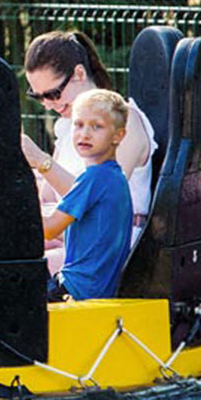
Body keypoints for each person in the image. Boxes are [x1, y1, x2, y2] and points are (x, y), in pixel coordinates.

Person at [19, 30, 156, 246]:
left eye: (53, 94)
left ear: (79, 74)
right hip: (72, 237)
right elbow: (47, 198)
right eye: (38, 97)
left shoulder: (124, 122)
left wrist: (43, 162)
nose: (47, 104)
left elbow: (97, 200)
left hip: (112, 247)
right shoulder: (68, 127)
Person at [43, 88, 133, 302]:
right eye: (79, 124)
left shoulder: (93, 178)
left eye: (97, 127)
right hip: (94, 287)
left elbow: (48, 229)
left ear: (118, 135)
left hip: (78, 290)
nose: (85, 134)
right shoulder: (113, 176)